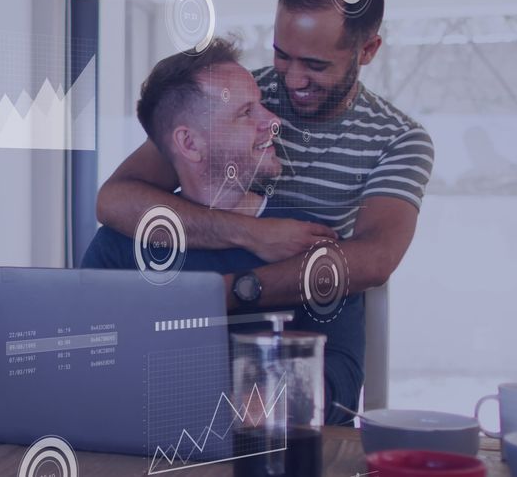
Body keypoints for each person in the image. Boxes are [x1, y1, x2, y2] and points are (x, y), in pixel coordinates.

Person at [95, 0, 434, 313]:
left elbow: (376, 257)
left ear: (367, 51)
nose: (292, 81)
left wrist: (228, 293)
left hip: (305, 315)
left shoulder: (399, 140)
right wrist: (253, 233)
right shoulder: (238, 95)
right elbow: (116, 199)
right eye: (282, 56)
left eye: (316, 65)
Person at [81, 38, 365, 425]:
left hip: (274, 450)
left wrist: (274, 403)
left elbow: (344, 379)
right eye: (247, 112)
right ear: (190, 143)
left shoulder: (310, 241)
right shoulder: (117, 247)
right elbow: (88, 369)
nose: (274, 122)